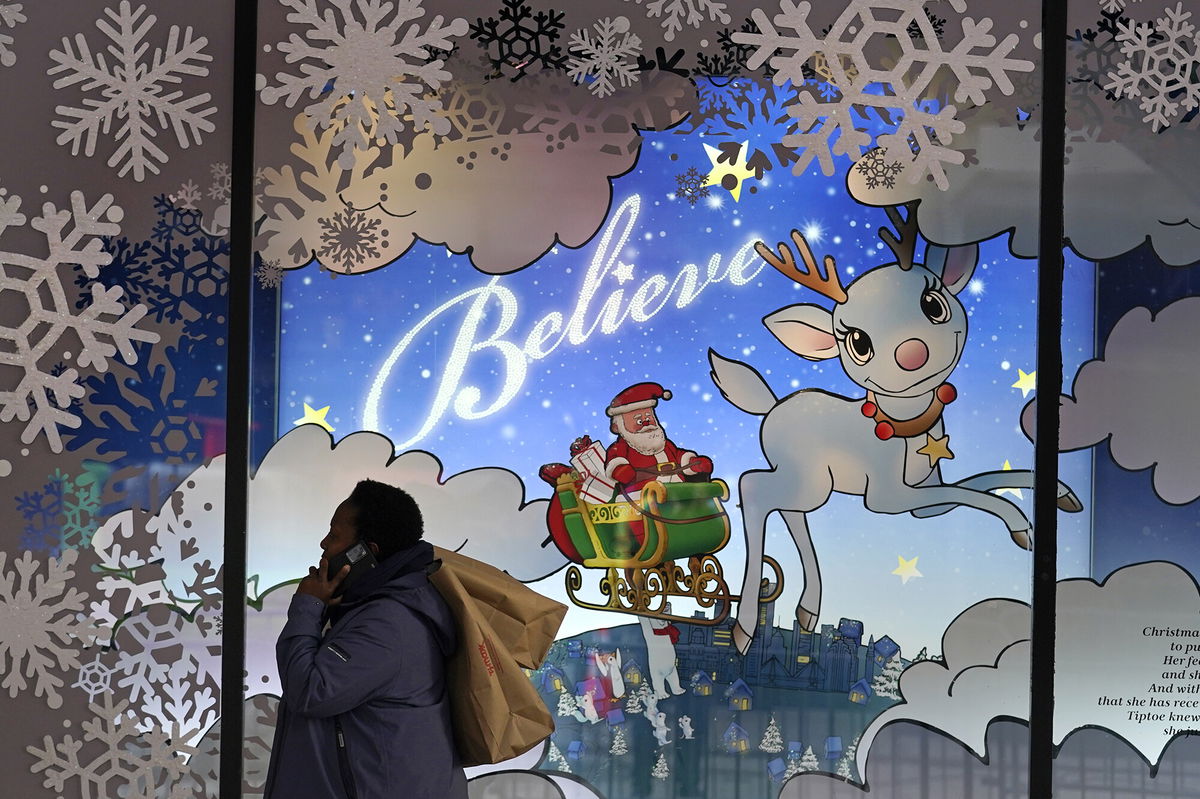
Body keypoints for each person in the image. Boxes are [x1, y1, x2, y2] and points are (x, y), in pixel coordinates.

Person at [264, 479, 467, 799]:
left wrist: (307, 606)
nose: (323, 544)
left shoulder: (386, 624)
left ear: (364, 553)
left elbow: (309, 692)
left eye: (333, 535)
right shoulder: (379, 608)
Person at [603, 382, 714, 497]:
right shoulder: (621, 447)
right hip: (641, 495)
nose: (646, 423)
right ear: (617, 426)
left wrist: (693, 463)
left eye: (648, 417)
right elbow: (615, 462)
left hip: (678, 491)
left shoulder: (664, 444)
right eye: (639, 420)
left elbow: (679, 455)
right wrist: (620, 470)